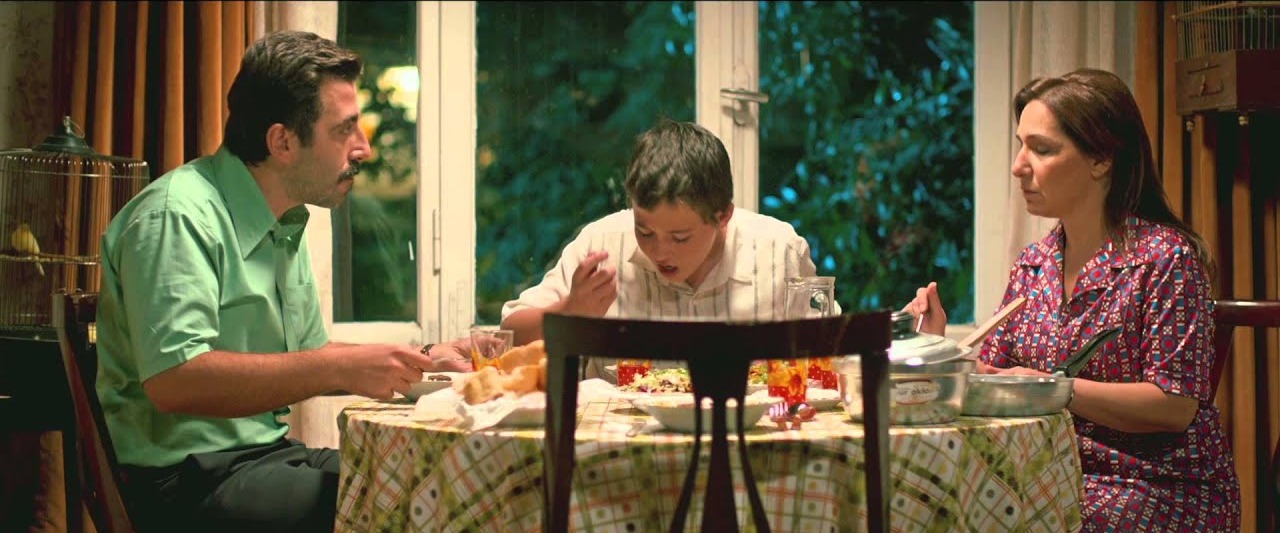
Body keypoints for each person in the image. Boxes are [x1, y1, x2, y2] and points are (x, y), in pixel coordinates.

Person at [95, 31, 473, 532]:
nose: (363, 148)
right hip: (183, 484)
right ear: (283, 142)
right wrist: (341, 366)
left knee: (435, 481)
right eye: (345, 130)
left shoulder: (284, 222)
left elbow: (309, 358)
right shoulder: (176, 216)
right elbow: (175, 379)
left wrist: (420, 361)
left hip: (263, 458)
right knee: (411, 507)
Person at [906, 68, 1239, 531]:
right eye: (1021, 145)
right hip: (1046, 475)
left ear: (1101, 159)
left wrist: (1053, 387)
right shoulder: (1033, 265)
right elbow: (992, 379)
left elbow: (1174, 406)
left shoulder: (1165, 259)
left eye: (1041, 149)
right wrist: (938, 348)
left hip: (1152, 487)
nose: (1019, 166)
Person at [500, 118, 835, 378]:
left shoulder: (778, 250)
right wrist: (571, 310)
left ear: (723, 217)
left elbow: (831, 348)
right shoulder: (602, 243)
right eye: (644, 231)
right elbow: (510, 337)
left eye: (680, 237)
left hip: (743, 432)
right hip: (617, 440)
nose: (660, 251)